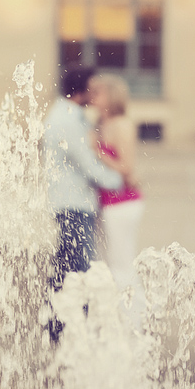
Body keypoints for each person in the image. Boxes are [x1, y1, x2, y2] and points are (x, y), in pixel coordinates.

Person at [42, 67, 123, 318]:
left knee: (68, 267)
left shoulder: (70, 115)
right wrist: (119, 181)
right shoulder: (66, 119)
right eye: (93, 87)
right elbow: (86, 163)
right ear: (81, 90)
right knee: (78, 269)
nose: (96, 92)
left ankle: (61, 325)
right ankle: (67, 327)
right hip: (72, 204)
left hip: (72, 202)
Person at [88, 73, 145, 322]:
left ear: (111, 95)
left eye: (97, 92)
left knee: (122, 263)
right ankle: (117, 316)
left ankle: (134, 320)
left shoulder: (122, 124)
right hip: (108, 204)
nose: (92, 97)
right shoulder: (100, 124)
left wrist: (96, 152)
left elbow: (127, 168)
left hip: (123, 204)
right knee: (111, 263)